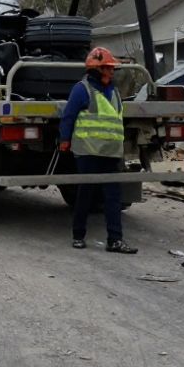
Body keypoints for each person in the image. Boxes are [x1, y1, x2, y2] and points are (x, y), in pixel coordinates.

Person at [58, 47, 137, 254]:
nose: (112, 72)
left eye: (112, 69)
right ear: (97, 69)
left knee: (112, 197)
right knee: (85, 194)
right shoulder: (82, 90)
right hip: (88, 151)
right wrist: (64, 140)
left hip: (110, 153)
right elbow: (69, 116)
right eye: (108, 68)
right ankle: (78, 235)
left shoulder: (114, 91)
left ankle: (115, 240)